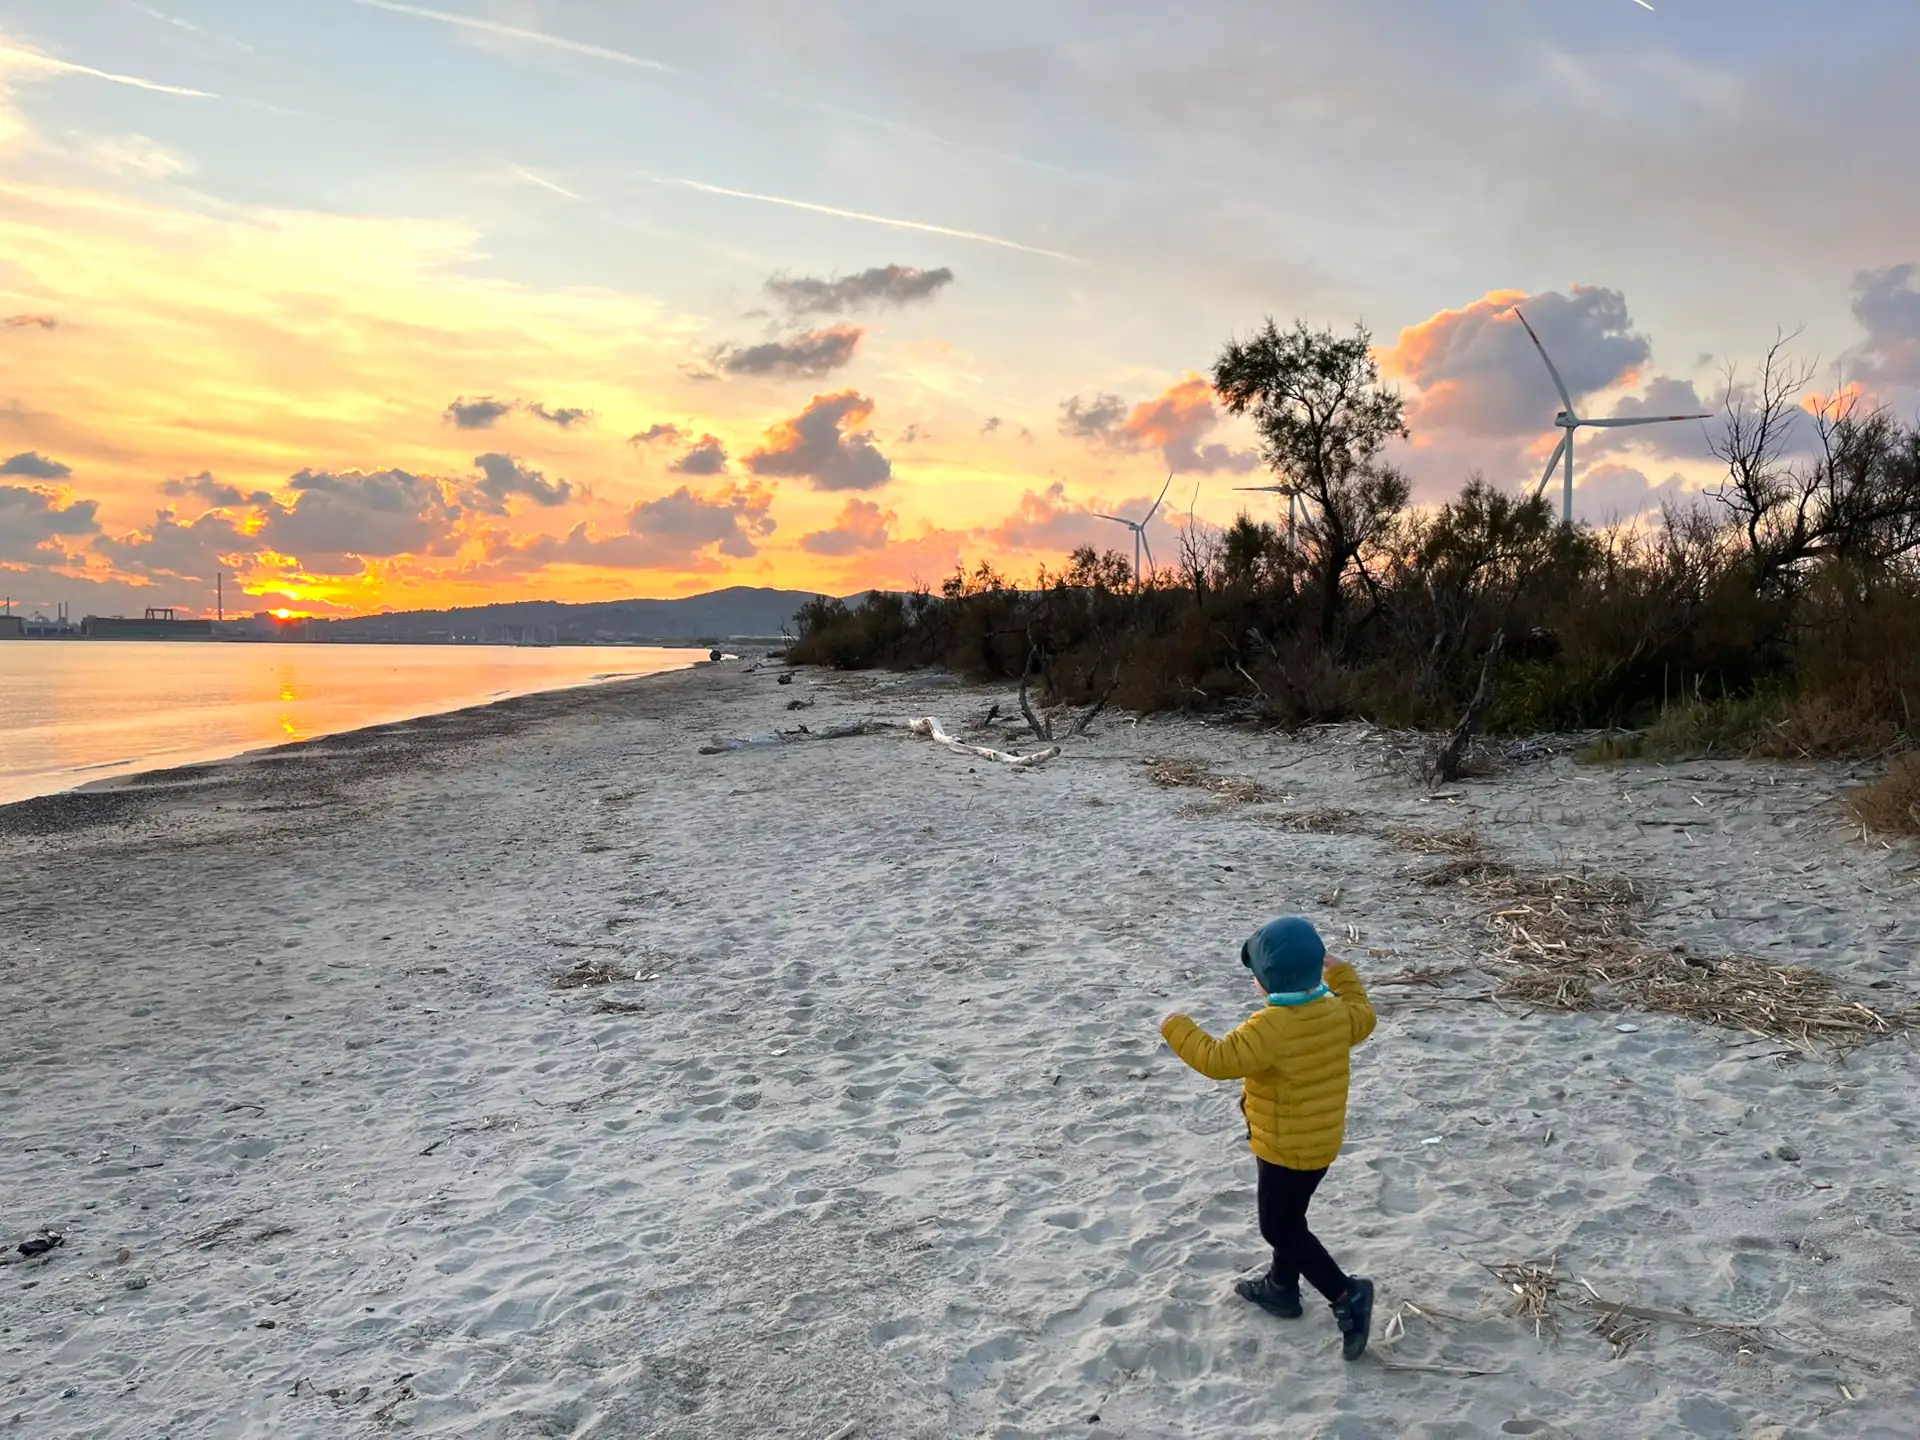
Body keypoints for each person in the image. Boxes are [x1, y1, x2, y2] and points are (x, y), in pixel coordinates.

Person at [1159, 915, 1378, 1360]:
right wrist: (1343, 973)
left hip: (1283, 1148)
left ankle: (1346, 1294)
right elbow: (1365, 1013)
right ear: (1317, 969)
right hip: (1320, 1144)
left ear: (1262, 983)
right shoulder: (1338, 1013)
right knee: (1291, 1217)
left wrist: (1175, 1026)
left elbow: (1217, 1060)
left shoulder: (1269, 1028)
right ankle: (1281, 1288)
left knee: (1278, 1225)